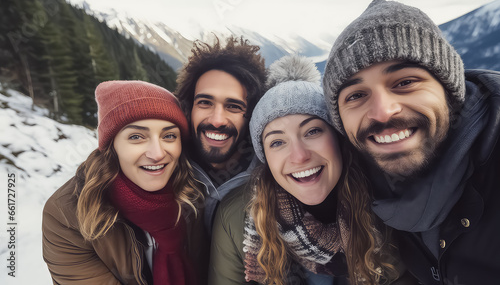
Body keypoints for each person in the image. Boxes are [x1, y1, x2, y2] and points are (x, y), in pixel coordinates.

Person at [323, 0, 500, 284]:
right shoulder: (361, 190)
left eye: (405, 82)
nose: (382, 111)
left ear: (449, 91)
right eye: (356, 95)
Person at [209, 56, 411, 285]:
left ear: (337, 137)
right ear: (266, 159)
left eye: (312, 132)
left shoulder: (386, 204)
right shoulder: (237, 218)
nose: (299, 156)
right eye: (277, 142)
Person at [42, 81, 205, 284]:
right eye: (136, 137)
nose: (157, 153)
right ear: (112, 146)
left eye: (169, 136)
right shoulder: (65, 215)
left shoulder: (195, 190)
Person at [175, 35, 267, 233]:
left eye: (233, 106)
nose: (217, 120)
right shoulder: (163, 170)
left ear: (251, 115)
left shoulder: (273, 180)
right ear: (189, 108)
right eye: (205, 103)